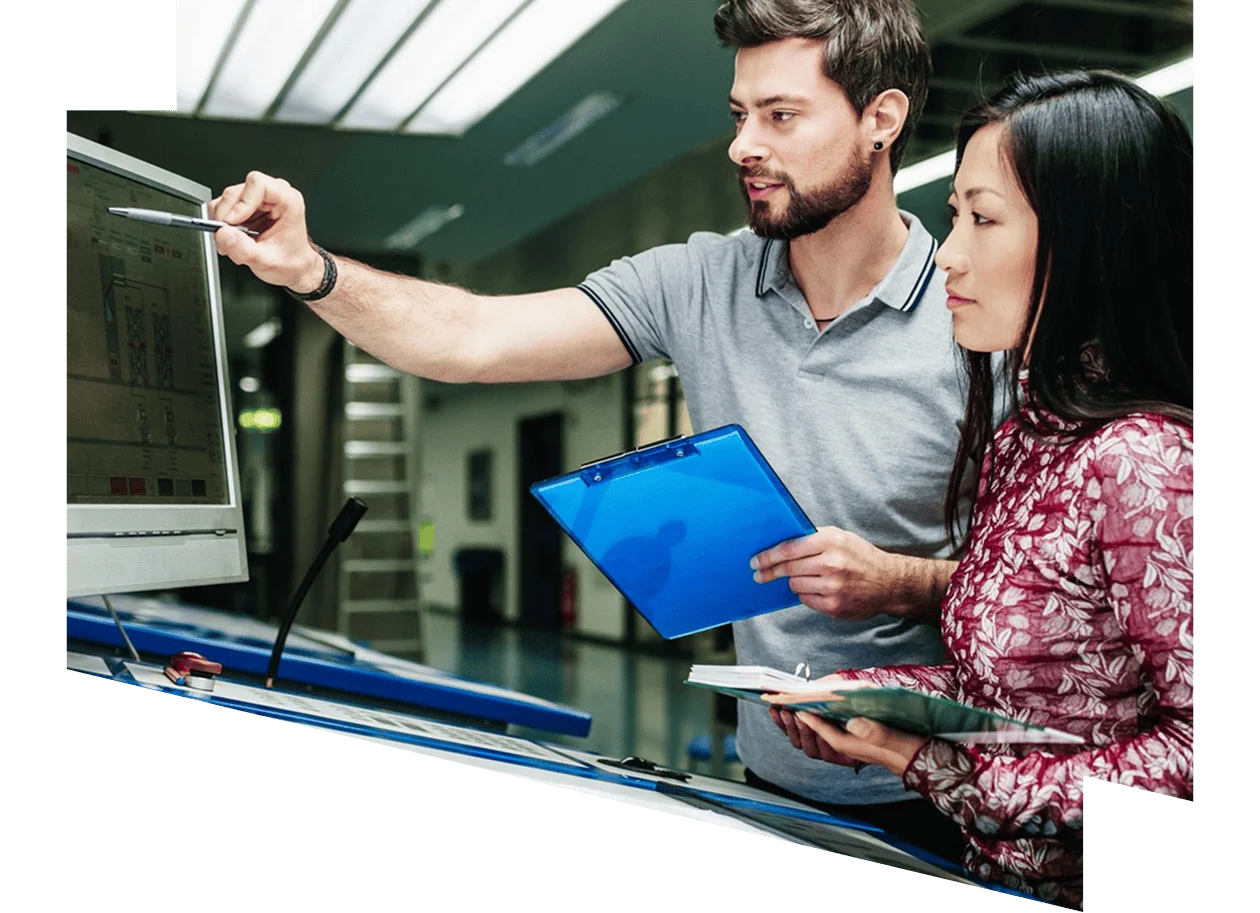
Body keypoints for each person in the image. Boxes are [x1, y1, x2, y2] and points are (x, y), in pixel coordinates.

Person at [209, 0, 970, 857]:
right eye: (738, 115)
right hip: (772, 782)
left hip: (945, 799)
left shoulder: (980, 314)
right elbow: (469, 338)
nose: (742, 146)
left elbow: (1063, 598)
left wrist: (902, 581)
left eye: (780, 115)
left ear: (881, 120)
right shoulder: (697, 282)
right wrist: (310, 269)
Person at [763, 69, 1195, 908]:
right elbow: (1024, 695)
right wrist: (868, 698)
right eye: (954, 215)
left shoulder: (1146, 461)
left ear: (1091, 241)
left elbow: (1205, 756)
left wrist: (927, 764)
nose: (948, 252)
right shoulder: (1024, 439)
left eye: (983, 218)